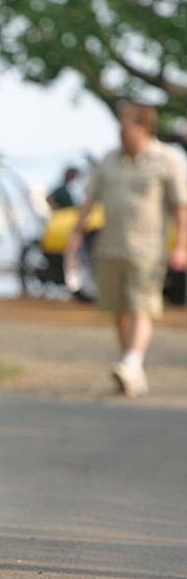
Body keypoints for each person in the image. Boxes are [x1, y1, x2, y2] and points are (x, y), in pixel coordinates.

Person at [65, 101, 187, 397]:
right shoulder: (108, 160)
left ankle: (131, 360)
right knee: (119, 308)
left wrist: (181, 245)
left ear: (143, 127)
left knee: (141, 306)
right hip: (111, 247)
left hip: (148, 249)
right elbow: (90, 199)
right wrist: (76, 233)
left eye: (126, 126)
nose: (120, 132)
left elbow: (179, 207)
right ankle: (132, 369)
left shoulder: (166, 159)